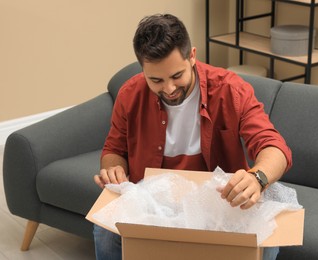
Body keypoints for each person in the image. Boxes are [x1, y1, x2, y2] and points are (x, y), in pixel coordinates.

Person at [93, 13, 292, 260]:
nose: (169, 89)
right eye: (156, 80)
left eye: (177, 76)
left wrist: (258, 178)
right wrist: (113, 170)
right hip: (154, 202)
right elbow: (113, 150)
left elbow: (274, 146)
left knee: (267, 233)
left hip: (219, 203)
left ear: (193, 56)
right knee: (104, 230)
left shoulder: (230, 89)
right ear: (143, 69)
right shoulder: (130, 94)